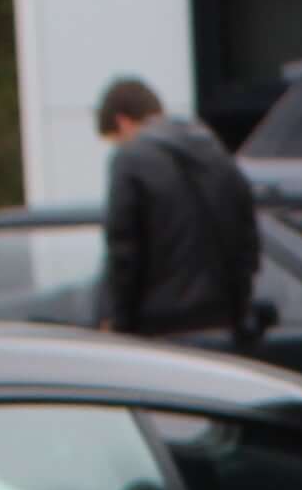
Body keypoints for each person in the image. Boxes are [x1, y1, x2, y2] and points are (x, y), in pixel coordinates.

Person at [95, 76, 261, 346]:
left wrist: (117, 325)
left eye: (116, 140)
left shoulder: (130, 159)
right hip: (222, 325)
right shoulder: (215, 152)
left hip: (160, 332)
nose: (118, 147)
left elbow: (124, 253)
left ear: (123, 121)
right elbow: (248, 240)